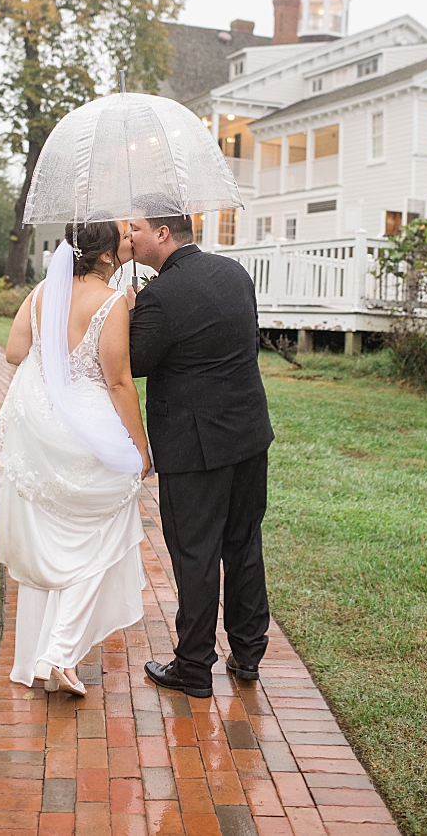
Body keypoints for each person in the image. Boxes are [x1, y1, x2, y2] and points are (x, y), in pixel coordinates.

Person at [0, 220, 152, 695]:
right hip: (90, 431)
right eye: (123, 236)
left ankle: (45, 656)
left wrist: (55, 365)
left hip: (39, 430)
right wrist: (139, 448)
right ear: (105, 257)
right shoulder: (111, 302)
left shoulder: (43, 292)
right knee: (108, 532)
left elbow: (14, 351)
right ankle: (58, 653)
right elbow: (119, 382)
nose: (130, 240)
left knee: (56, 542)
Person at [127, 213, 274, 699]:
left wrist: (132, 311)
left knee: (195, 554)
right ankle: (249, 653)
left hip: (194, 447)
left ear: (162, 234)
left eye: (137, 229)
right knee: (243, 541)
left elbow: (136, 362)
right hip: (249, 434)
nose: (130, 236)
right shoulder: (234, 273)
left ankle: (193, 666)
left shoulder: (159, 297)